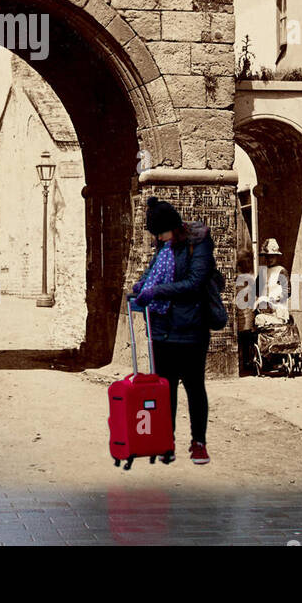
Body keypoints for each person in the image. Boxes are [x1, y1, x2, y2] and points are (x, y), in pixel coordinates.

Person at [130, 196, 216, 465]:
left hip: (191, 329)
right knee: (165, 390)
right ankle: (166, 442)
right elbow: (153, 273)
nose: (158, 238)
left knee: (194, 388)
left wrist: (155, 291)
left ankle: (198, 443)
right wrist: (141, 286)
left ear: (174, 227)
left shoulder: (197, 245)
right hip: (162, 329)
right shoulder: (164, 246)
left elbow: (194, 282)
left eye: (161, 232)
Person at [253, 238, 290, 327]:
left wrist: (276, 300)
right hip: (264, 309)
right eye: (267, 257)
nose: (269, 259)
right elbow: (256, 290)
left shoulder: (281, 271)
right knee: (258, 320)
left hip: (278, 311)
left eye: (272, 256)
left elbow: (287, 291)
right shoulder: (262, 272)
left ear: (277, 257)